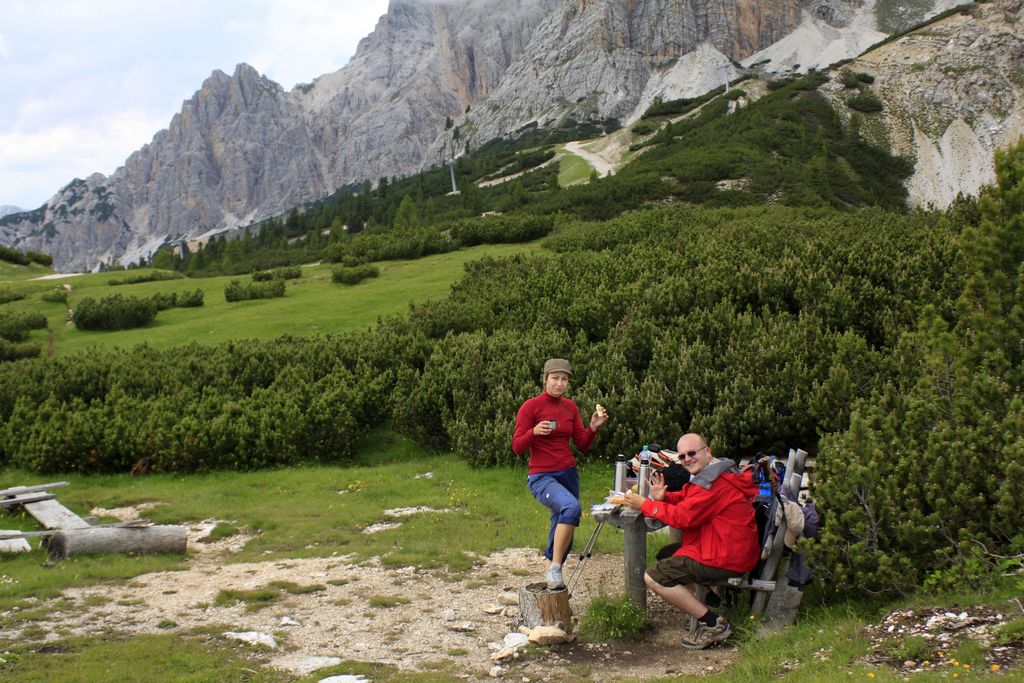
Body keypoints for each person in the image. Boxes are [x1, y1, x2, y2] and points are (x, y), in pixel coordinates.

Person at [620, 433, 759, 649]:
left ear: (708, 452)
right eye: (682, 456)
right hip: (731, 547)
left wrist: (646, 505)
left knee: (654, 576)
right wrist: (664, 498)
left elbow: (682, 517)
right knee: (666, 555)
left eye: (692, 453)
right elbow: (688, 498)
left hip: (727, 557)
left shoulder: (713, 485)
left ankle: (713, 623)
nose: (687, 459)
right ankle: (707, 601)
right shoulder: (715, 474)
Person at [512, 358, 609, 590]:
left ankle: (551, 588)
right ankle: (555, 568)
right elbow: (517, 446)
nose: (559, 383)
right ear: (545, 379)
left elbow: (583, 444)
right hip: (542, 476)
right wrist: (534, 432)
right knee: (571, 508)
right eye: (555, 378)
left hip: (568, 473)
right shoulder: (530, 407)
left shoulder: (570, 407)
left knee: (563, 528)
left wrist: (593, 427)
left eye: (564, 379)